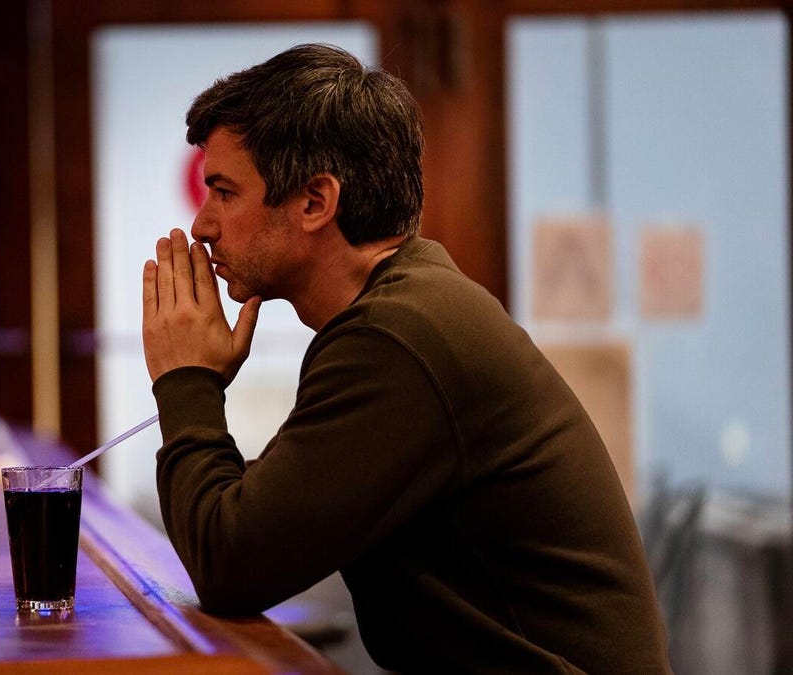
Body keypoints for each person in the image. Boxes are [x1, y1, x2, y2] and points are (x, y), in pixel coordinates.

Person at [140, 44, 670, 673]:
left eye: (225, 192)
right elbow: (271, 517)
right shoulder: (400, 314)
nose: (201, 226)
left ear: (316, 200)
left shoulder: (401, 337)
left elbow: (229, 561)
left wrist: (186, 379)